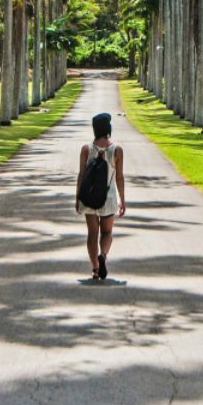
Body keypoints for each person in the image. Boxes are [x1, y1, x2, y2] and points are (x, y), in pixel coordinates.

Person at [75, 111, 125, 279]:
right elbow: (119, 177)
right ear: (108, 128)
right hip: (108, 197)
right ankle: (102, 255)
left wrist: (77, 198)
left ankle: (95, 269)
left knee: (92, 233)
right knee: (107, 232)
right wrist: (122, 200)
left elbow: (81, 175)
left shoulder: (86, 149)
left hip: (89, 197)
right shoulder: (116, 150)